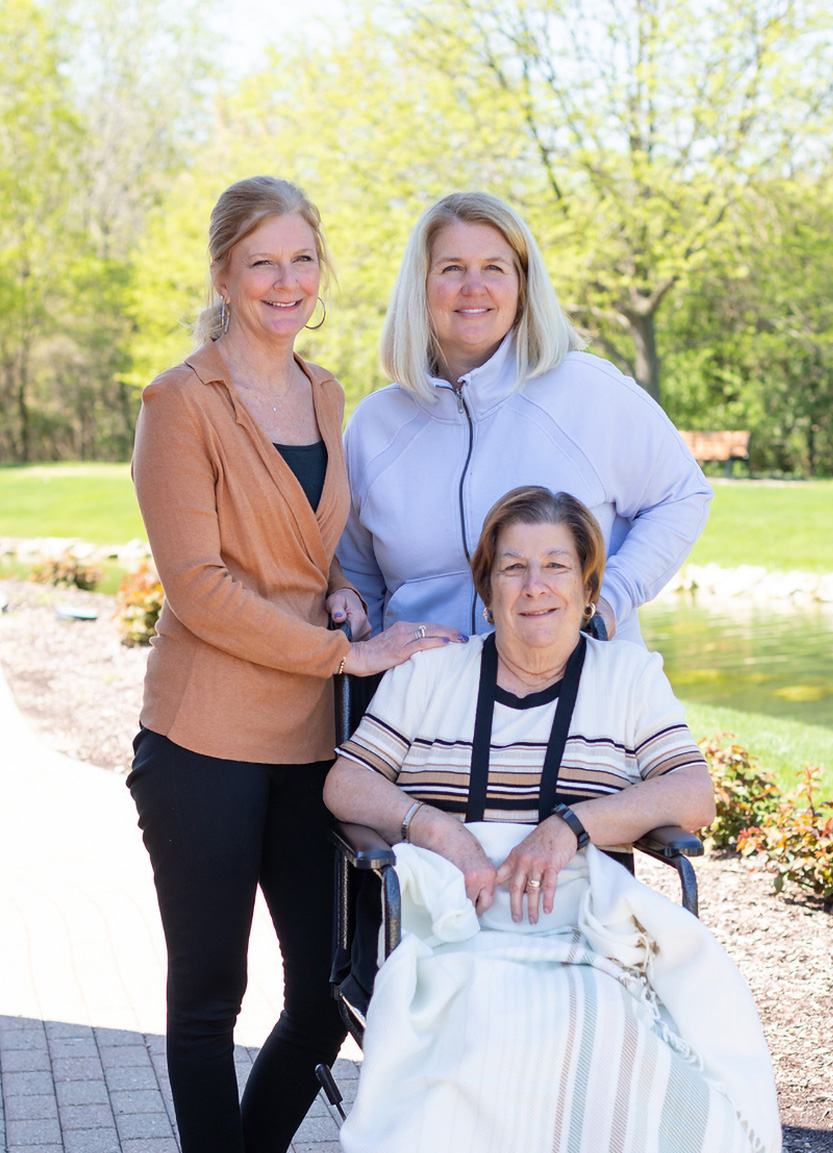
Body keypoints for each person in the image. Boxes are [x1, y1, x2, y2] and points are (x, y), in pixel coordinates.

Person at [127, 175, 465, 1153]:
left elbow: (302, 548)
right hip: (204, 742)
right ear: (225, 275)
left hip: (311, 743)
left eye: (302, 259)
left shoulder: (323, 391)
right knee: (207, 999)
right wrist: (347, 648)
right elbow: (197, 585)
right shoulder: (179, 402)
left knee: (327, 992)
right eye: (263, 262)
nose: (287, 280)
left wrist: (338, 591)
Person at [324, 486, 781, 1153]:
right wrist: (435, 826)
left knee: (599, 1031)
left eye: (556, 566)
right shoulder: (431, 673)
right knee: (468, 1023)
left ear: (589, 585)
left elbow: (693, 792)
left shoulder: (627, 675)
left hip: (583, 935)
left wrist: (569, 825)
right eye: (513, 567)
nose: (535, 586)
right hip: (449, 929)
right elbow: (346, 781)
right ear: (488, 587)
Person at [336, 191, 713, 643]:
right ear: (419, 286)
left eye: (494, 268)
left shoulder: (588, 388)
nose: (473, 287)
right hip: (427, 701)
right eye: (451, 268)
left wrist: (608, 601)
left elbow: (681, 495)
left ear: (522, 285)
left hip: (575, 693)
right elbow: (359, 578)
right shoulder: (375, 425)